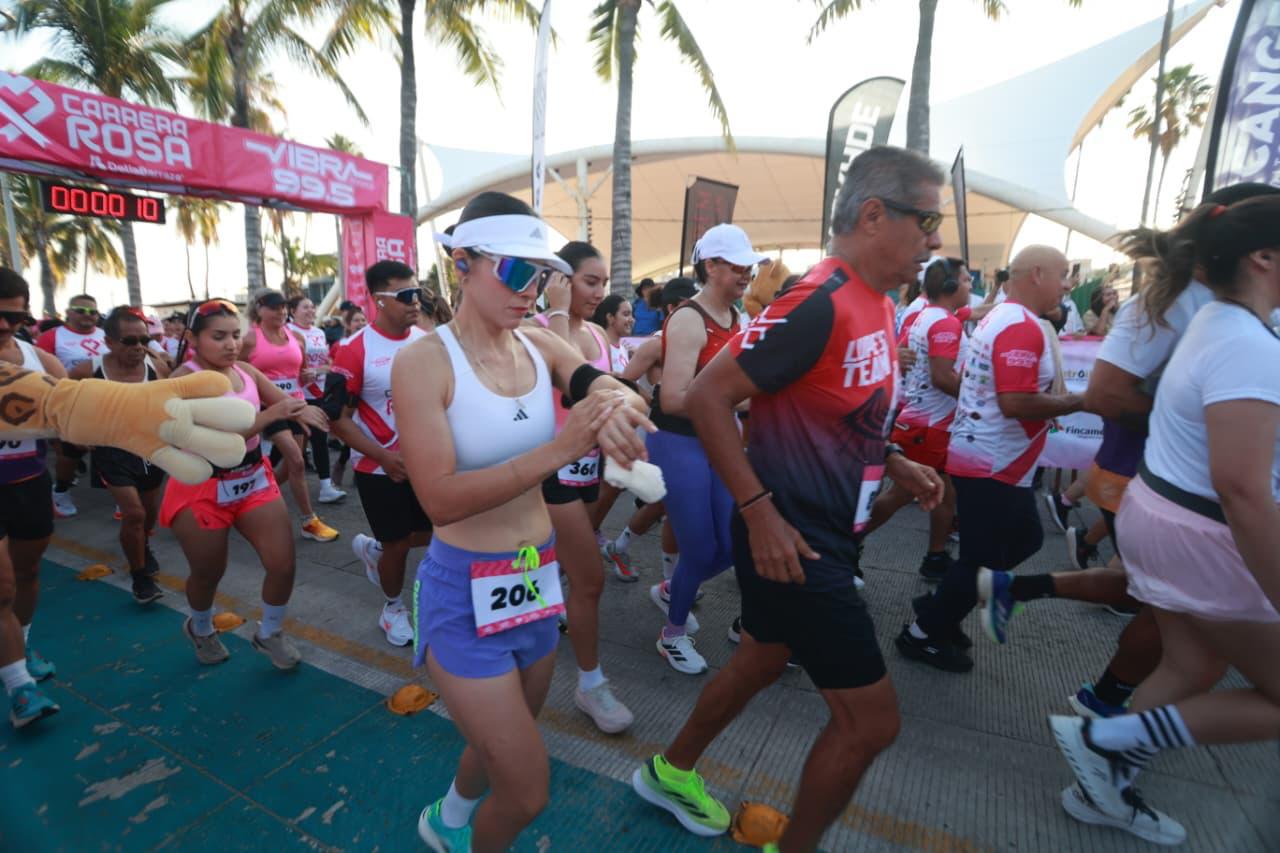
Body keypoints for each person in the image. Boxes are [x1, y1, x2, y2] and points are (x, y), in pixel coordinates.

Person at [633, 147, 945, 847]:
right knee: (871, 723)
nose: (935, 240)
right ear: (874, 215)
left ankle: (669, 771)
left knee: (760, 659)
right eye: (927, 220)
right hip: (798, 539)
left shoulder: (878, 302)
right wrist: (759, 512)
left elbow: (836, 405)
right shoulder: (819, 299)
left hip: (815, 530)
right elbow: (706, 396)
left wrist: (893, 459)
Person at [393, 192, 651, 851]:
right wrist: (562, 449)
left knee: (505, 740)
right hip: (462, 589)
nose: (530, 289)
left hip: (535, 579)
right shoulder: (423, 362)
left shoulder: (537, 341)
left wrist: (618, 406)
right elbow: (439, 499)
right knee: (528, 789)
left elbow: (597, 380)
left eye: (541, 274)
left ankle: (449, 817)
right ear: (462, 263)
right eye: (514, 270)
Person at [1050, 195, 1280, 846]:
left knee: (1190, 667)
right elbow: (1241, 488)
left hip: (1167, 515)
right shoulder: (1247, 344)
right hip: (1203, 534)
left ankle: (1104, 785)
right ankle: (1106, 740)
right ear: (1263, 257)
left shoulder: (1219, 319)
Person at [899, 246, 1084, 673]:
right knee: (983, 557)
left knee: (1024, 540)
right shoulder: (1020, 325)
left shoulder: (1007, 317)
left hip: (996, 458)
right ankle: (922, 634)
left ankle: (942, 603)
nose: (1067, 286)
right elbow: (1014, 401)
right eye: (1062, 275)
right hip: (992, 461)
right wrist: (1080, 401)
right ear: (1036, 274)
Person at [161, 299, 328, 669]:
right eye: (219, 337)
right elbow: (215, 439)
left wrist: (312, 412)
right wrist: (272, 416)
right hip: (202, 486)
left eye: (236, 335)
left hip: (253, 478)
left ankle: (270, 633)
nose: (231, 344)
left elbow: (287, 402)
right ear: (193, 338)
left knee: (283, 564)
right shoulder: (182, 382)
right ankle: (200, 627)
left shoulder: (247, 371)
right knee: (208, 573)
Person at [645, 224, 764, 675]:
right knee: (698, 549)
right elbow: (673, 398)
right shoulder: (689, 319)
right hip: (679, 441)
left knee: (734, 544)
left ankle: (671, 590)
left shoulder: (738, 317)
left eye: (750, 267)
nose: (747, 274)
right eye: (738, 265)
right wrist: (739, 400)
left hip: (719, 437)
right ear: (711, 266)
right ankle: (672, 635)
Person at [532, 240, 638, 730]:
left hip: (588, 468)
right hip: (549, 470)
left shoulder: (597, 332)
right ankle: (590, 684)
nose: (599, 293)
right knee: (590, 578)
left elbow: (609, 395)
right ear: (560, 280)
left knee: (554, 569)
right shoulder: (535, 331)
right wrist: (556, 311)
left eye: (603, 283)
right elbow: (567, 387)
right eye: (589, 282)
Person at [328, 261, 430, 648]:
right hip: (378, 466)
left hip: (425, 462)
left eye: (418, 293)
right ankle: (392, 608)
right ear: (379, 300)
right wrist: (384, 458)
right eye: (405, 295)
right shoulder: (353, 349)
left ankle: (375, 550)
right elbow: (338, 419)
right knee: (399, 545)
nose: (415, 301)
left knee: (431, 535)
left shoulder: (426, 341)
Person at [865, 257, 970, 584]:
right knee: (901, 494)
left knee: (944, 493)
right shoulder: (945, 323)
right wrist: (980, 398)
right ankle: (844, 544)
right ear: (950, 286)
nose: (970, 286)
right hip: (930, 425)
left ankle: (935, 557)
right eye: (966, 280)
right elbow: (942, 377)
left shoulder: (924, 315)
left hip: (926, 421)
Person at [0, 268, 67, 728]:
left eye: (16, 317)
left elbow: (79, 404)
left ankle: (18, 646)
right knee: (2, 587)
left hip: (28, 481)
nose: (6, 326)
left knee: (27, 574)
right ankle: (20, 687)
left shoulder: (36, 357)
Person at [69, 307, 170, 605]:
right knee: (134, 513)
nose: (138, 347)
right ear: (109, 342)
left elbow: (172, 403)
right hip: (111, 452)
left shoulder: (156, 368)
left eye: (144, 340)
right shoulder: (87, 371)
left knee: (148, 514)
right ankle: (141, 578)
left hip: (150, 449)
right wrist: (75, 434)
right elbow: (63, 404)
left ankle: (143, 544)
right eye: (129, 341)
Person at [241, 289, 339, 543]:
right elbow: (237, 371)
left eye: (284, 307)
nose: (281, 312)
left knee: (291, 465)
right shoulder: (250, 339)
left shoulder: (296, 337)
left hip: (296, 405)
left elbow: (300, 373)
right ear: (259, 309)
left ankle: (253, 496)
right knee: (296, 460)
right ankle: (309, 521)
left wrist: (309, 376)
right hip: (268, 408)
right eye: (275, 307)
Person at [37, 293, 105, 518]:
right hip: (69, 405)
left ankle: (124, 496)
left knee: (117, 450)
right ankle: (61, 490)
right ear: (68, 312)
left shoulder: (106, 335)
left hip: (107, 403)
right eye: (81, 310)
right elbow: (40, 374)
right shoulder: (52, 337)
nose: (88, 315)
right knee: (70, 456)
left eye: (93, 312)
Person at [287, 295, 345, 504]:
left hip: (318, 393)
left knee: (319, 436)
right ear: (292, 311)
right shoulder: (287, 332)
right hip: (296, 394)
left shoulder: (319, 333)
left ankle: (326, 487)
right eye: (305, 307)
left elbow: (330, 364)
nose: (311, 310)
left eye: (312, 307)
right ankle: (266, 482)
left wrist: (317, 371)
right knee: (288, 445)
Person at [592, 293, 634, 373]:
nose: (632, 320)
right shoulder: (599, 350)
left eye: (631, 315)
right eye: (626, 314)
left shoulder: (625, 349)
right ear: (610, 317)